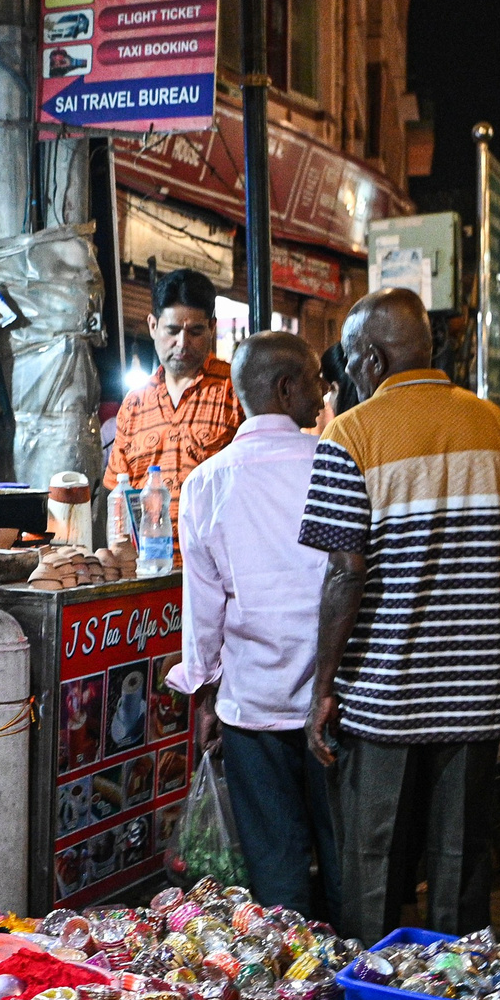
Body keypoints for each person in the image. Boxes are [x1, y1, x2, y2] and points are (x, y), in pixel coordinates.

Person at [300, 288, 500, 944]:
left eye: (350, 361)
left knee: (372, 868)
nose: (350, 376)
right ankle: (453, 996)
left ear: (373, 360)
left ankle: (372, 999)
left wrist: (323, 685)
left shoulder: (351, 434)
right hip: (474, 695)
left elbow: (345, 574)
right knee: (461, 870)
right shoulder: (495, 424)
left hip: (384, 698)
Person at [166, 333, 338, 913]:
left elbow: (203, 614)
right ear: (285, 389)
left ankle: (292, 963)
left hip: (252, 705)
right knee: (342, 859)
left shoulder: (206, 483)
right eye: (314, 380)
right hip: (333, 701)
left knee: (276, 868)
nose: (323, 392)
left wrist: (206, 697)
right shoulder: (333, 464)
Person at [104, 268, 242, 548]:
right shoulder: (134, 404)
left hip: (218, 565)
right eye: (173, 330)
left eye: (195, 331)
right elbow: (118, 495)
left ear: (212, 327)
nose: (183, 343)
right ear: (153, 326)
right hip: (148, 566)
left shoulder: (236, 390)